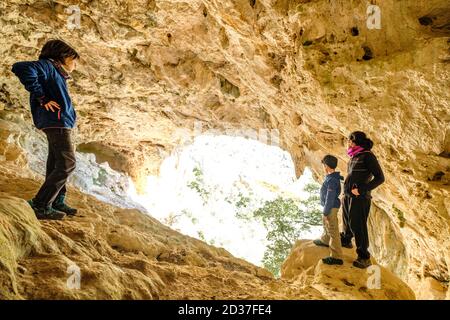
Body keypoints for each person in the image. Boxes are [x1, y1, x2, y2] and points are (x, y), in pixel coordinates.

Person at [11, 39, 80, 220]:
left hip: (59, 122)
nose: (75, 64)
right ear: (63, 57)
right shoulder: (48, 66)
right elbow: (21, 67)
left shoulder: (56, 72)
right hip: (56, 122)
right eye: (73, 59)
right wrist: (42, 97)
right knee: (67, 163)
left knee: (56, 162)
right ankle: (41, 205)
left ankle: (56, 200)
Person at [341, 131, 385, 269]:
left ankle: (364, 257)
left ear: (355, 142)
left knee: (358, 225)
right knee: (347, 220)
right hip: (348, 196)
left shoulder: (368, 156)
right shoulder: (354, 156)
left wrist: (362, 189)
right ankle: (346, 240)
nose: (348, 143)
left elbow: (380, 178)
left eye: (350, 141)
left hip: (360, 197)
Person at [314, 155, 344, 265]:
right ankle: (325, 240)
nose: (323, 167)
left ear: (326, 166)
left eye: (323, 165)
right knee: (326, 225)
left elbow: (330, 197)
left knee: (333, 230)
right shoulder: (331, 177)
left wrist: (326, 212)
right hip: (329, 206)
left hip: (331, 207)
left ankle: (337, 257)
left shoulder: (332, 180)